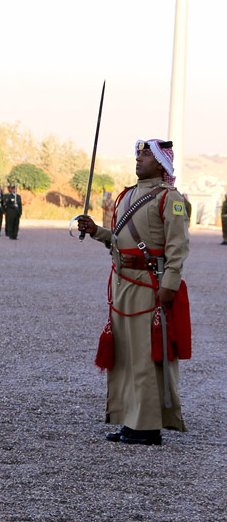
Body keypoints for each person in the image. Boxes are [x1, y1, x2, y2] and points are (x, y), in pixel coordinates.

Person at [75, 139, 190, 446]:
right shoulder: (126, 195)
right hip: (122, 283)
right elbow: (118, 240)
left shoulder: (170, 198)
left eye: (146, 154)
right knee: (124, 356)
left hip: (150, 286)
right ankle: (130, 419)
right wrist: (96, 231)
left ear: (162, 163)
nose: (138, 159)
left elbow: (178, 248)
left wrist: (170, 286)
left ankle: (147, 426)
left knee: (145, 356)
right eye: (138, 153)